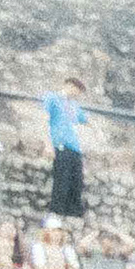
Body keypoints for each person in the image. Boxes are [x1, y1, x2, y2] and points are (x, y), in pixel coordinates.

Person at [45, 80, 90, 221]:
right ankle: (56, 211)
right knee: (62, 179)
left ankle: (73, 213)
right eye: (76, 90)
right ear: (69, 85)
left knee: (76, 181)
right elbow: (45, 119)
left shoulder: (74, 106)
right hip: (60, 144)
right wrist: (48, 144)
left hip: (74, 147)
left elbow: (86, 120)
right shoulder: (52, 98)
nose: (77, 94)